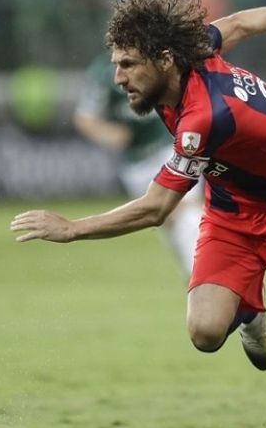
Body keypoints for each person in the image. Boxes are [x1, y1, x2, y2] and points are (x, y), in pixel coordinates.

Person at [11, 0, 266, 428]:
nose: (119, 79)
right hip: (230, 213)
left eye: (128, 65)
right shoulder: (192, 53)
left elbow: (155, 208)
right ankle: (250, 311)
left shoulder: (203, 117)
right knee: (205, 333)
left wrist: (71, 229)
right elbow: (241, 22)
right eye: (116, 65)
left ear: (164, 60)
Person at [74, 53, 202, 276]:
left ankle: (204, 274)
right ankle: (196, 273)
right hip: (136, 164)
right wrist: (109, 133)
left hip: (169, 148)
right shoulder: (103, 73)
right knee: (168, 222)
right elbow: (85, 118)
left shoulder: (159, 60)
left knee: (183, 210)